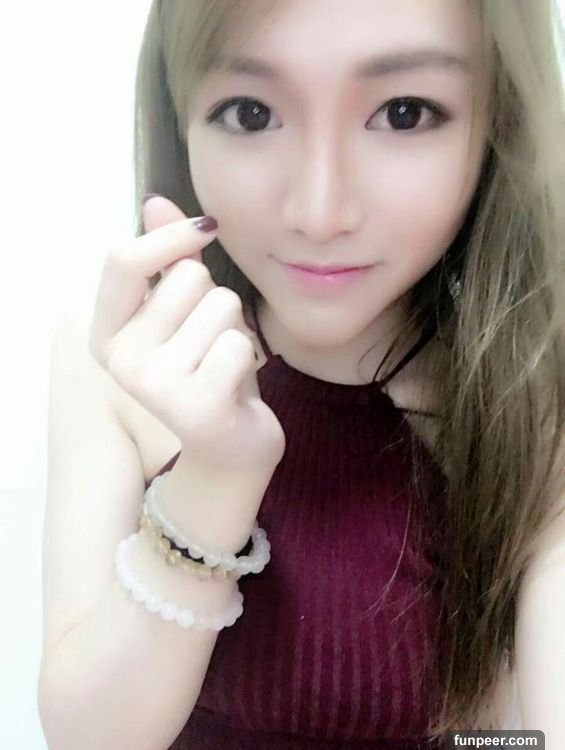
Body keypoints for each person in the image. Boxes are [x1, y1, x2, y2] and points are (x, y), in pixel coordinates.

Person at [38, 1, 565, 748]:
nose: (319, 212)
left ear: (496, 125)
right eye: (250, 113)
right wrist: (215, 478)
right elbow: (90, 738)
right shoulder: (118, 360)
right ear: (180, 118)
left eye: (405, 113)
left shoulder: (533, 395)